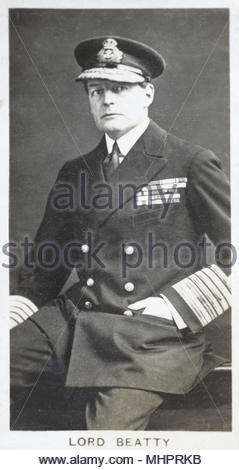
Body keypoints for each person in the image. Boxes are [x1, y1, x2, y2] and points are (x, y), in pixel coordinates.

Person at [10, 36, 231, 430]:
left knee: (107, 437)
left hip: (150, 333)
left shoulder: (189, 161)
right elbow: (48, 262)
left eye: (119, 89)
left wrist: (175, 307)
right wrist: (14, 308)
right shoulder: (75, 171)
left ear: (147, 93)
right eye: (97, 91)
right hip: (77, 317)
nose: (107, 100)